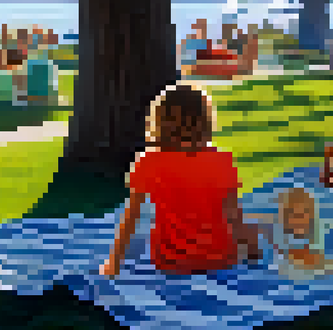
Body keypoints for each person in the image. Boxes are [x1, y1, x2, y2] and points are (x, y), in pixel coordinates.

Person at [101, 84, 263, 276]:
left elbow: (131, 218)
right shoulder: (222, 160)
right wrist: (253, 251)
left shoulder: (148, 161)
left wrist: (113, 263)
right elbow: (234, 216)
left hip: (170, 261)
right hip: (219, 258)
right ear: (205, 121)